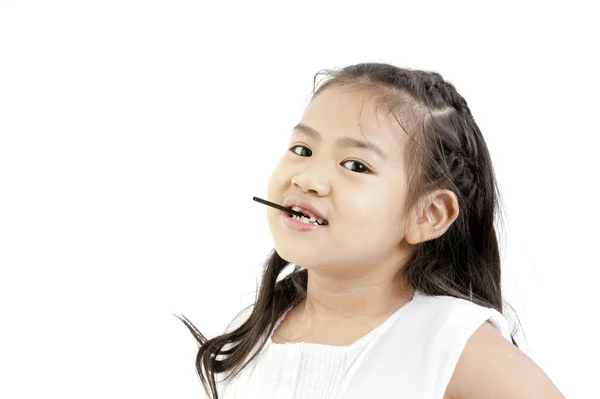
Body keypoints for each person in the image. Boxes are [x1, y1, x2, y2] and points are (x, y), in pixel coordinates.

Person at [176, 63, 565, 398]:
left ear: (428, 214)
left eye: (355, 166)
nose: (308, 178)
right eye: (303, 150)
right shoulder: (255, 329)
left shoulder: (450, 340)